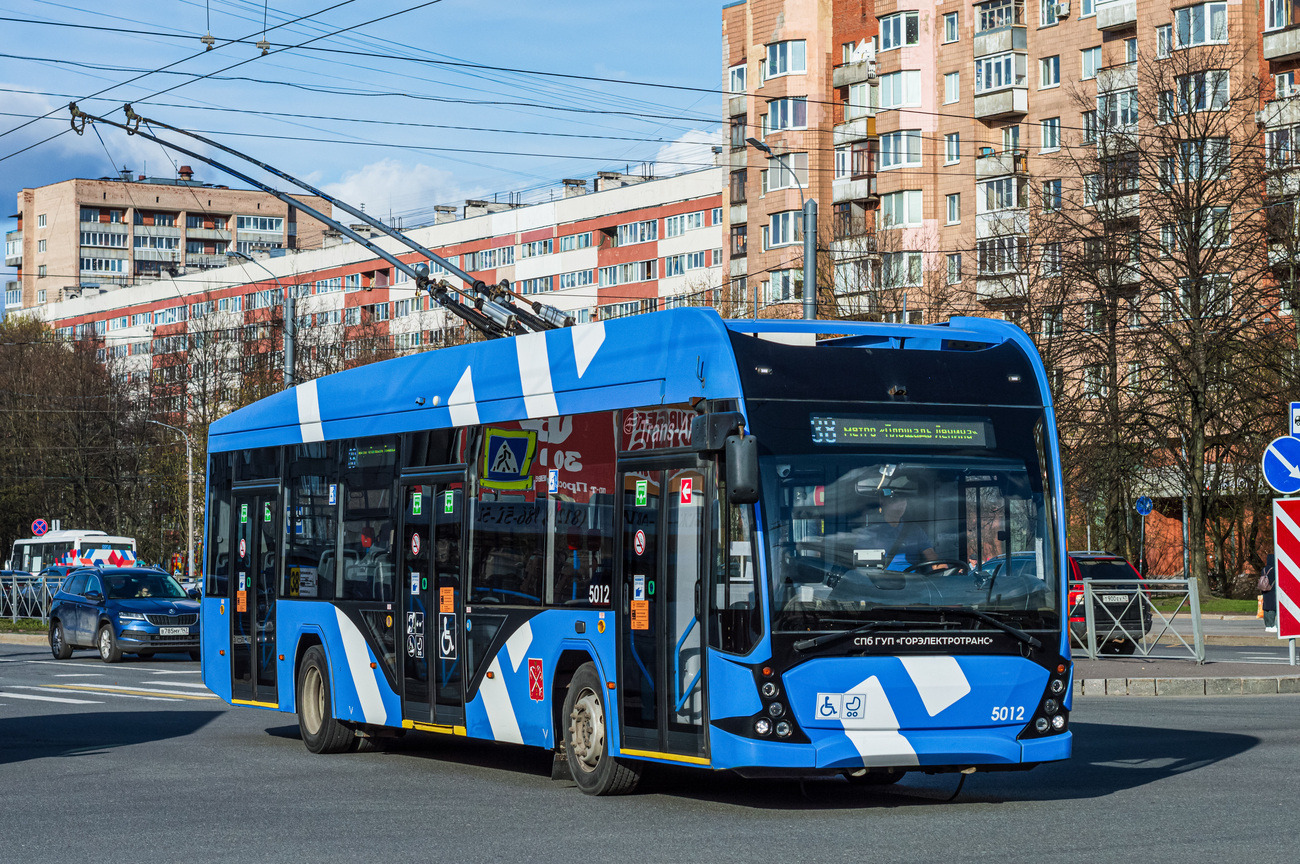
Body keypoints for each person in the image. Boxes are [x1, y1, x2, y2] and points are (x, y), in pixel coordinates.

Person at [855, 489, 938, 571]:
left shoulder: (915, 530)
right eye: (894, 501)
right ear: (882, 502)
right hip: (880, 581)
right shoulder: (870, 532)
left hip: (912, 581)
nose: (900, 505)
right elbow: (863, 567)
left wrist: (939, 567)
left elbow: (930, 553)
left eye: (903, 500)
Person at [1261, 554, 1278, 633]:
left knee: (1266, 607)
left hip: (1265, 589)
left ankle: (1267, 625)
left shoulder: (1264, 569)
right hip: (1272, 590)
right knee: (1272, 607)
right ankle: (1272, 625)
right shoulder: (1275, 569)